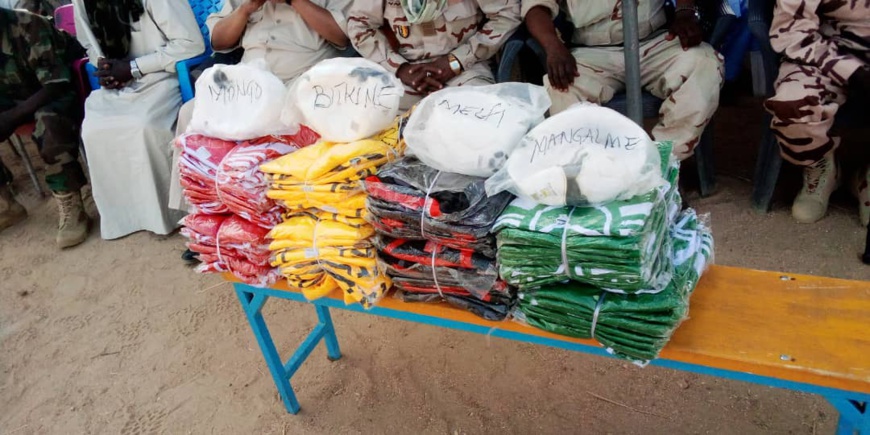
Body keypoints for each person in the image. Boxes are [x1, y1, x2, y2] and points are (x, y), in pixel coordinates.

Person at [524, 0, 724, 160]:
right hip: (592, 49)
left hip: (653, 41)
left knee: (705, 64)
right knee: (561, 87)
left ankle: (659, 165)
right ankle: (594, 172)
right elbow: (535, 9)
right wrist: (553, 47)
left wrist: (685, 13)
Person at [75, 0, 205, 240]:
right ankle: (125, 218)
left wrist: (134, 67)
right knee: (93, 129)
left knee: (142, 125)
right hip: (119, 79)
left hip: (162, 75)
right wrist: (105, 67)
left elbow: (191, 45)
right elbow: (87, 42)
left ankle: (168, 215)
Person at [763, 0, 869, 224]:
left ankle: (865, 178)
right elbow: (791, 31)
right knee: (792, 106)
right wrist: (850, 71)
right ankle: (821, 166)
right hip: (825, 52)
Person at [0, 8, 89, 247]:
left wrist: (10, 118)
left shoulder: (29, 25)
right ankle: (6, 204)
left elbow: (55, 84)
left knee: (49, 122)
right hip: (12, 96)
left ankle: (71, 204)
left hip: (55, 90)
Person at [347, 0, 522, 110]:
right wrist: (400, 68)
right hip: (407, 75)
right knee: (372, 119)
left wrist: (456, 61)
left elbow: (507, 15)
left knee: (478, 115)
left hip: (465, 70)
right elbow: (359, 25)